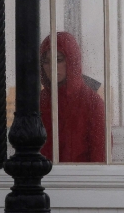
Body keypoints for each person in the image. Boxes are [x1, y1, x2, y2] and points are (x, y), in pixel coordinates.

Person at [40, 31, 106, 163]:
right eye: (46, 62)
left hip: (80, 179)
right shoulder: (39, 101)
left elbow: (100, 156)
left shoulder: (91, 102)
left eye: (58, 60)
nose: (52, 67)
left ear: (72, 61)